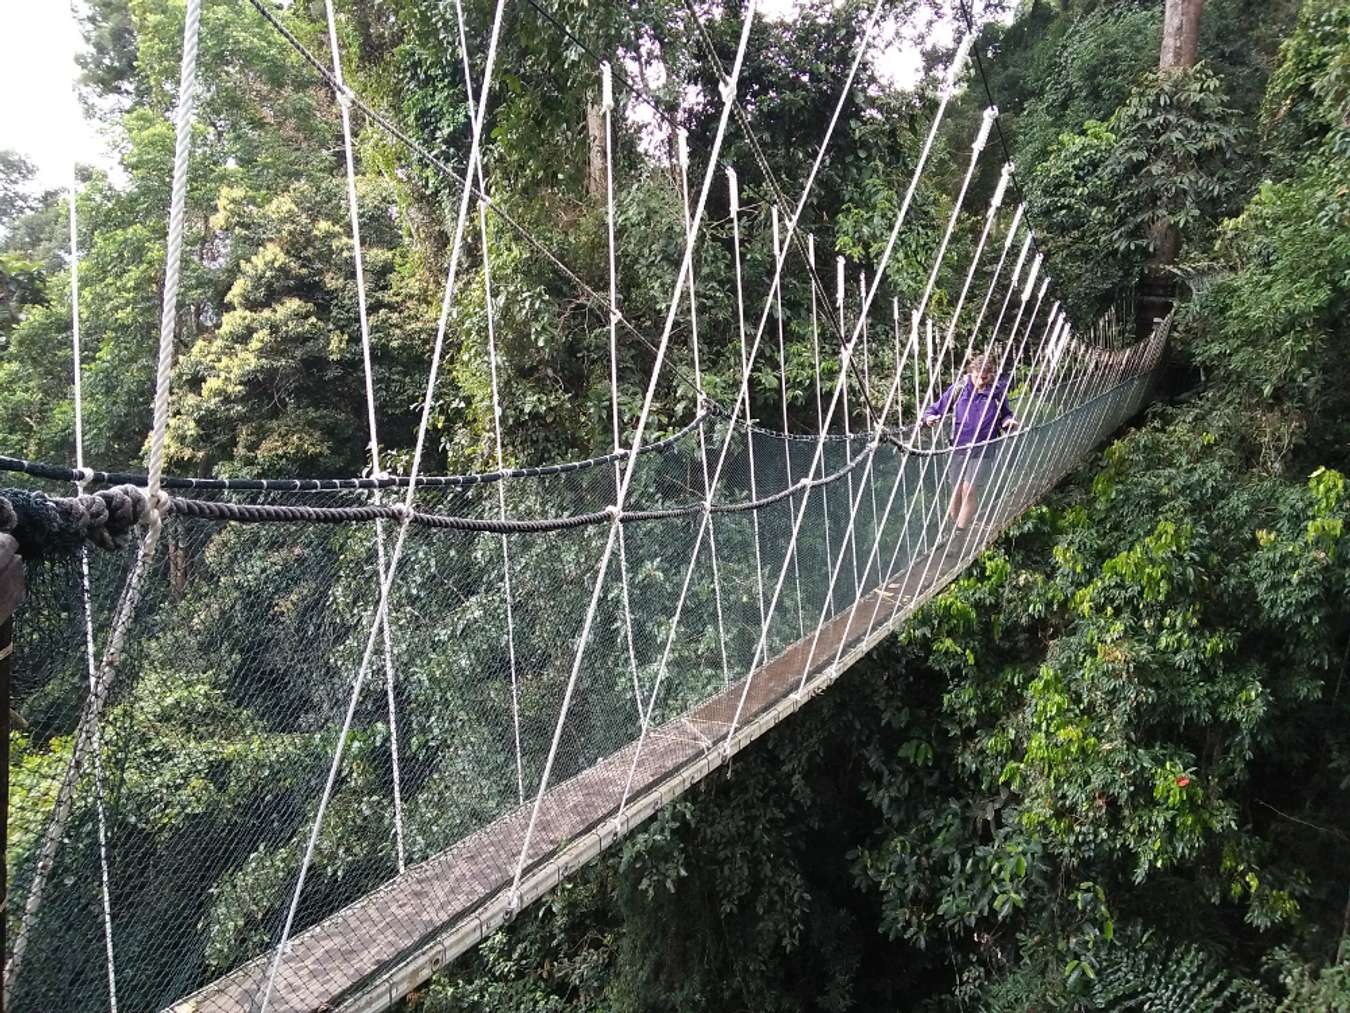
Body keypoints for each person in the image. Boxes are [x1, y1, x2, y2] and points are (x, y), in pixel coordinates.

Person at [921, 353, 1017, 537]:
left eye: (985, 377)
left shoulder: (996, 392)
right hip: (959, 447)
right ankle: (957, 530)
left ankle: (958, 535)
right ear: (971, 372)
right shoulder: (959, 390)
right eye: (978, 377)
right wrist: (928, 418)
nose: (981, 381)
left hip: (984, 448)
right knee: (956, 492)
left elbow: (1006, 413)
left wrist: (1008, 421)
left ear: (991, 375)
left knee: (969, 490)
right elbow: (935, 408)